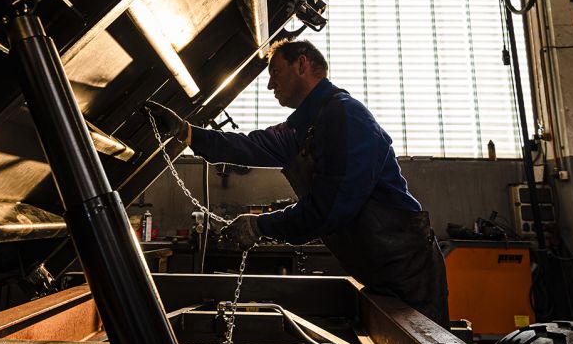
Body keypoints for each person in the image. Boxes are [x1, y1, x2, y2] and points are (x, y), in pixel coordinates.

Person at [145, 39, 449, 326]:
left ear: (302, 64)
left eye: (275, 72)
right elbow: (251, 145)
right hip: (379, 267)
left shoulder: (346, 116)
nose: (270, 84)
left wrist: (260, 225)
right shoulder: (302, 128)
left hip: (408, 271)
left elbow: (329, 210)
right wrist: (187, 132)